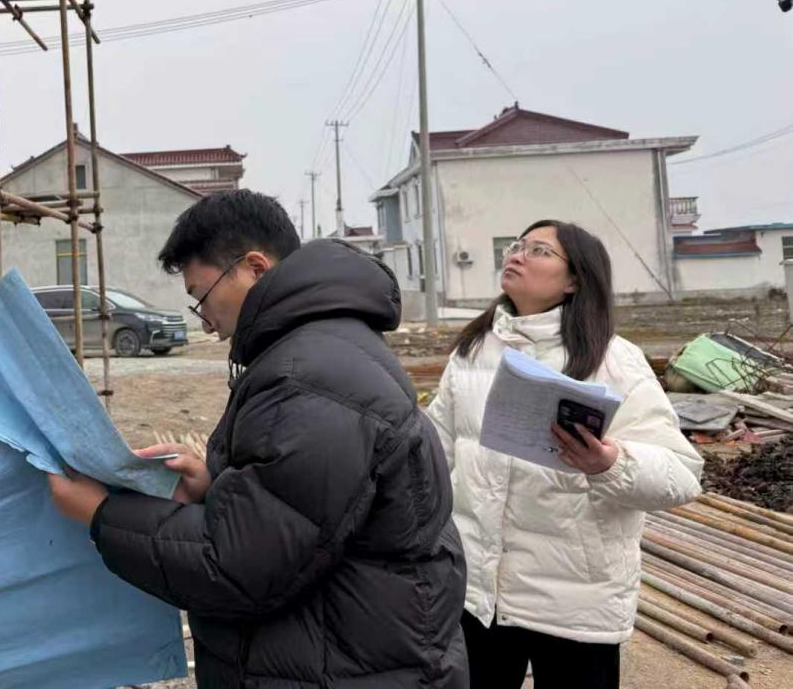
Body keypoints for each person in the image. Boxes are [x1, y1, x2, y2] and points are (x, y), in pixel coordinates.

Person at [47, 189, 468, 688]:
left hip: (345, 668)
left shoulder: (310, 379)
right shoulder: (322, 347)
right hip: (340, 652)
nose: (205, 319)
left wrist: (102, 513)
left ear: (254, 268)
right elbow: (303, 513)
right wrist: (216, 483)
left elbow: (237, 566)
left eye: (202, 296)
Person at [426, 219, 703, 689]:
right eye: (516, 245)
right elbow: (435, 453)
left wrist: (610, 463)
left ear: (575, 279)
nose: (517, 255)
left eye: (539, 250)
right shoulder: (472, 353)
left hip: (574, 603)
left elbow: (681, 475)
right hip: (477, 596)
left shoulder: (615, 360)